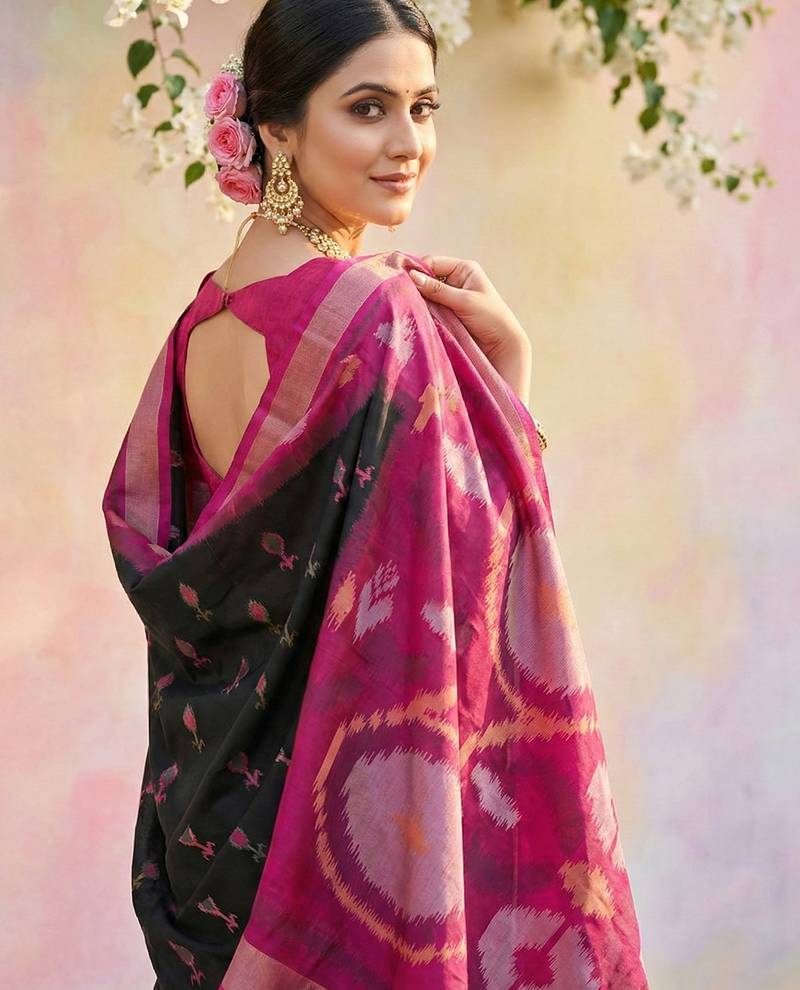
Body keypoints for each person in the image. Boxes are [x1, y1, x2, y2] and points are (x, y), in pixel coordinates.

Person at [101, 2, 650, 988]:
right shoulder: (378, 321)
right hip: (331, 856)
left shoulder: (199, 325)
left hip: (214, 840)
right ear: (275, 127)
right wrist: (511, 381)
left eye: (422, 107)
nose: (408, 144)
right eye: (367, 108)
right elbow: (464, 580)